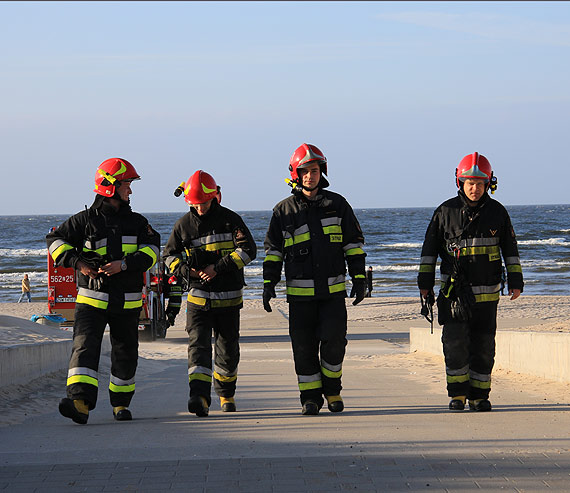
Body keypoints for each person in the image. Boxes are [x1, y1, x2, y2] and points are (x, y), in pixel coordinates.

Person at [46, 158, 160, 424]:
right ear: (110, 186)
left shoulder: (138, 223)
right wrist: (79, 264)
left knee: (126, 352)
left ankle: (120, 405)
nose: (130, 191)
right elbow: (54, 241)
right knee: (84, 348)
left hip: (128, 302)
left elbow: (153, 251)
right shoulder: (83, 221)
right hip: (91, 301)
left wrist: (124, 265)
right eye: (127, 185)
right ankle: (80, 404)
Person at [263, 143, 366, 415]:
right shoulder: (282, 212)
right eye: (305, 171)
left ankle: (332, 390)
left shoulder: (338, 205)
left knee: (335, 342)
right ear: (296, 174)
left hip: (332, 295)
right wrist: (268, 284)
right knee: (303, 349)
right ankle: (310, 398)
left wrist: (359, 278)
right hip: (300, 298)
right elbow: (273, 251)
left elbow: (353, 244)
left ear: (323, 171)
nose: (310, 175)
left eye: (315, 170)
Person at [417, 152, 523, 412]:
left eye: (480, 183)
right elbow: (429, 250)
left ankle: (480, 396)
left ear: (489, 184)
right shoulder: (444, 212)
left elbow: (510, 249)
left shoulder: (498, 213)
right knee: (455, 345)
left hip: (487, 297)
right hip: (454, 295)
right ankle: (457, 395)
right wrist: (424, 282)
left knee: (484, 347)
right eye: (470, 183)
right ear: (460, 183)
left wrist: (516, 280)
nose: (474, 188)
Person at [163, 170, 256, 417]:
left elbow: (248, 250)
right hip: (198, 300)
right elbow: (168, 256)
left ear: (214, 197)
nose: (200, 208)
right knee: (198, 348)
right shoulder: (183, 225)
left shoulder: (231, 220)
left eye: (204, 203)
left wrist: (218, 268)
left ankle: (226, 394)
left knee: (227, 351)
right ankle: (199, 397)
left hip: (228, 300)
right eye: (195, 204)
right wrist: (186, 270)